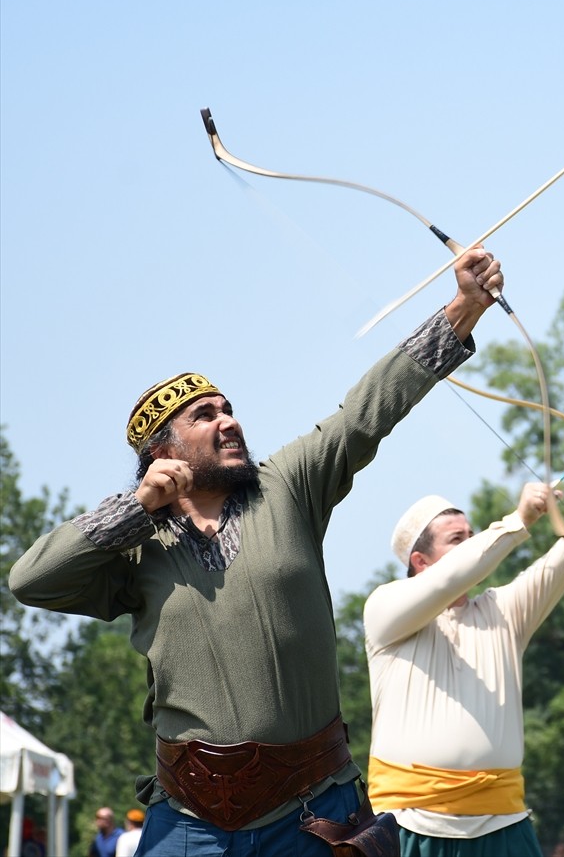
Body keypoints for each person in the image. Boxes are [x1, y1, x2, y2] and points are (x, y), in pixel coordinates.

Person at [9, 247, 504, 855]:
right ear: (164, 450)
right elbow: (30, 580)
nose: (229, 421)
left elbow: (363, 416)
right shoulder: (136, 549)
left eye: (230, 409)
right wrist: (135, 510)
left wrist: (464, 308)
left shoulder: (288, 485)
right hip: (186, 821)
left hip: (314, 810)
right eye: (204, 415)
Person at [363, 436, 564, 855]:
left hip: (504, 826)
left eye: (473, 536)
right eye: (458, 540)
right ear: (420, 562)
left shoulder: (501, 611)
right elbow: (448, 579)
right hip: (408, 825)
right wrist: (517, 521)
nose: (474, 546)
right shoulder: (385, 609)